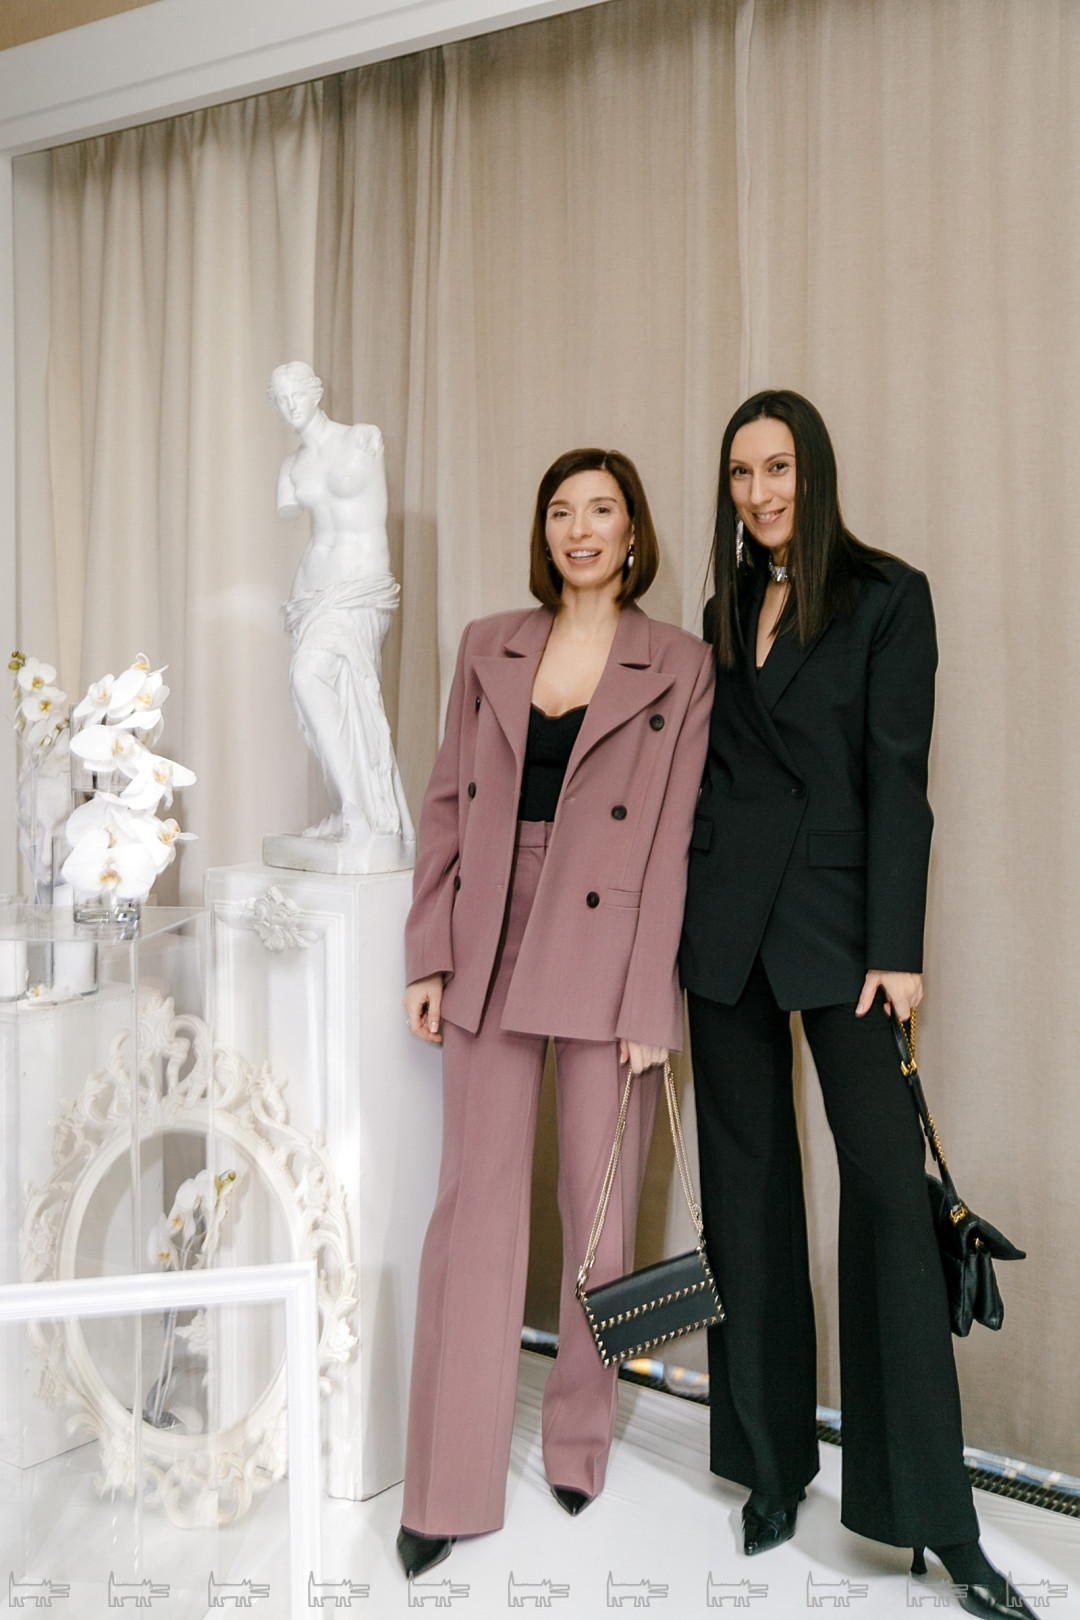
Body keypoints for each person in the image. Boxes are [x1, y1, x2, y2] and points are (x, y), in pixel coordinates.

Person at [679, 391, 1034, 1620]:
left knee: (886, 1197)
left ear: (815, 471)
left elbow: (899, 780)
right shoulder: (723, 610)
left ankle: (936, 1518)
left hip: (843, 936)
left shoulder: (889, 596)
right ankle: (772, 1469)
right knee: (746, 1197)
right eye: (741, 475)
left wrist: (898, 947)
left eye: (778, 468)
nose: (760, 493)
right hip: (723, 933)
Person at [397, 448, 713, 1577]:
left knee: (600, 1209)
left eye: (602, 511)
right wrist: (428, 952)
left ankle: (581, 1438)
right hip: (488, 929)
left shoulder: (679, 663)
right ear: (545, 532)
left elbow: (672, 844)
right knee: (473, 1206)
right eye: (562, 511)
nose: (581, 529)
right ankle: (446, 1482)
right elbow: (446, 803)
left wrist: (648, 998)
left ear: (632, 533)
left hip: (606, 944)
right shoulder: (489, 642)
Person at [267, 361, 414, 866]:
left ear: (317, 392)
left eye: (297, 394)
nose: (291, 406)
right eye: (281, 399)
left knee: (320, 681)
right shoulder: (291, 469)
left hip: (360, 587)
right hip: (311, 593)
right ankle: (349, 807)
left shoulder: (361, 439)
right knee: (324, 699)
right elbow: (297, 516)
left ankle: (361, 811)